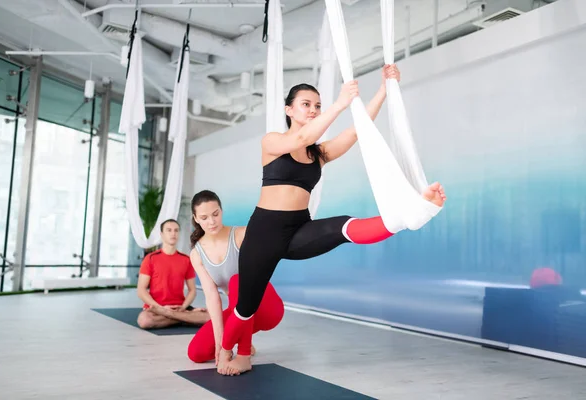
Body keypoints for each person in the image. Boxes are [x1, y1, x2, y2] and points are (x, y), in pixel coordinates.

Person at [218, 64, 448, 376]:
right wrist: (340, 103)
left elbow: (357, 131)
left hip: (298, 227)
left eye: (317, 105)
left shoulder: (319, 153)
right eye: (306, 104)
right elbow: (300, 138)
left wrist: (384, 88)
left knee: (341, 226)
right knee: (246, 308)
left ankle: (409, 215)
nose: (313, 110)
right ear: (289, 109)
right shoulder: (272, 141)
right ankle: (229, 352)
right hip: (264, 232)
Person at [187, 190, 284, 365]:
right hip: (239, 314)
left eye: (215, 214)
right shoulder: (197, 254)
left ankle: (244, 354)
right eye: (204, 217)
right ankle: (241, 336)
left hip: (267, 308)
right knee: (197, 352)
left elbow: (259, 272)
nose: (211, 221)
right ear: (195, 218)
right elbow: (212, 298)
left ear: (221, 211)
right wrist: (220, 343)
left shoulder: (241, 235)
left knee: (238, 281)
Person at [136, 219, 210, 329]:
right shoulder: (150, 259)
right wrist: (160, 308)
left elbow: (192, 290)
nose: (173, 233)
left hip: (180, 307)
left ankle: (176, 316)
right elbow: (141, 290)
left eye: (176, 230)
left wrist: (183, 307)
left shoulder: (186, 259)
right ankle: (184, 318)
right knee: (144, 320)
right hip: (157, 308)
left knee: (209, 316)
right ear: (162, 234)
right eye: (169, 230)